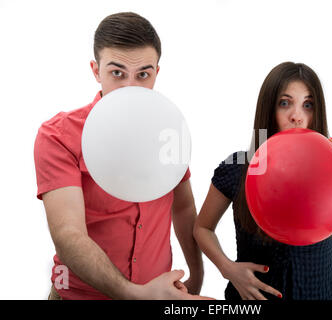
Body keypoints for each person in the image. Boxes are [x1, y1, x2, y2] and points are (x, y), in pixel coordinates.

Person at [193, 62, 332, 300]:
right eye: (285, 103)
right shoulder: (238, 166)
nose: (297, 116)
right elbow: (202, 228)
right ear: (269, 109)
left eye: (308, 105)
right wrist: (228, 269)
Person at [34, 12, 207, 300]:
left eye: (143, 75)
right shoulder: (57, 136)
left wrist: (197, 276)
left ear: (156, 73)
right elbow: (68, 235)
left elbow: (184, 207)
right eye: (117, 73)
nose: (130, 87)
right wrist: (132, 294)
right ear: (95, 70)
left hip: (161, 294)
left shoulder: (168, 127)